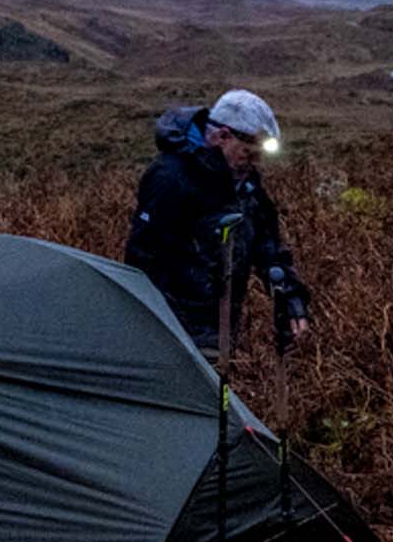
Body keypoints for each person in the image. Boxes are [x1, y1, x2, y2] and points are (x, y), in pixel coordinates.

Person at [124, 88, 312, 355]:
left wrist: (289, 300)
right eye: (248, 154)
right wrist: (164, 329)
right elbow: (143, 258)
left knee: (218, 396)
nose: (253, 164)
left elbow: (267, 244)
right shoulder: (171, 177)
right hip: (173, 333)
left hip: (220, 329)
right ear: (223, 136)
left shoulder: (245, 184)